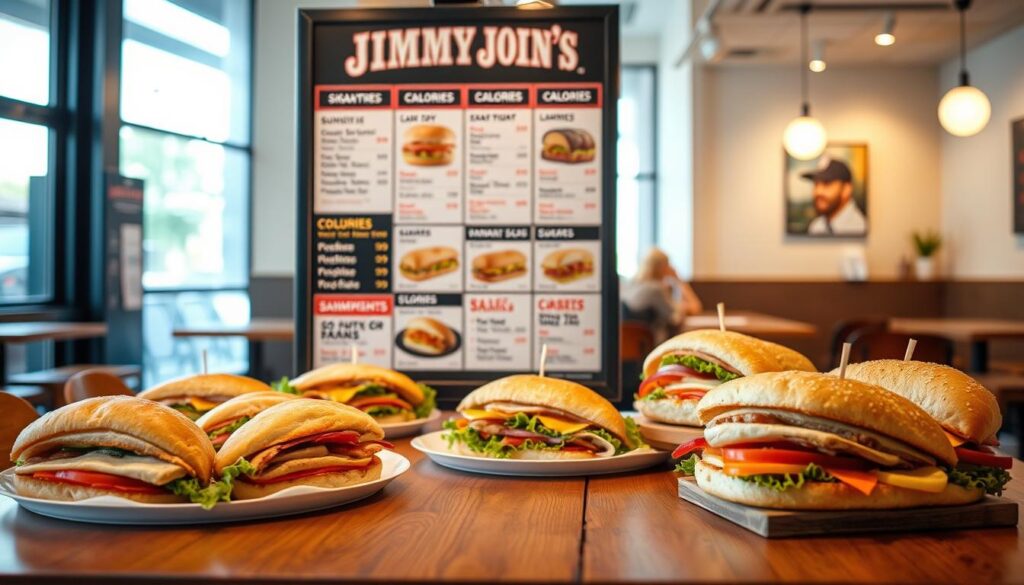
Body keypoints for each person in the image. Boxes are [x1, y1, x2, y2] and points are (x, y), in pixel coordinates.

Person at [621, 248, 703, 343]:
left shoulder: (629, 285)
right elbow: (675, 318)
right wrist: (679, 280)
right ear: (662, 267)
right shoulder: (656, 289)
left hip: (628, 344)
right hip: (654, 343)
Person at [803, 156, 867, 236]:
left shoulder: (860, 228)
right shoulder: (816, 226)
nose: (818, 191)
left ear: (846, 189)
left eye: (827, 183)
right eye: (816, 184)